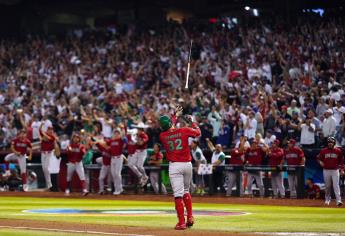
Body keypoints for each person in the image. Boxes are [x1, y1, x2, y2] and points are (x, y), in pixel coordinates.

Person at [159, 110, 201, 230]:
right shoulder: (183, 130)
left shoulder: (162, 136)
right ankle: (190, 217)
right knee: (186, 191)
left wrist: (174, 117)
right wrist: (192, 122)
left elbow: (169, 127)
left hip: (175, 166)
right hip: (187, 164)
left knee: (178, 195)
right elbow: (197, 133)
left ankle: (182, 222)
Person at [317, 137, 344, 206]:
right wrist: (320, 162)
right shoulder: (324, 151)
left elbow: (341, 161)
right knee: (328, 186)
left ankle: (338, 201)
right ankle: (327, 199)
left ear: (334, 143)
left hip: (335, 170)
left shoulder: (338, 151)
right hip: (326, 170)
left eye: (331, 142)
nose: (330, 143)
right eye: (329, 142)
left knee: (336, 186)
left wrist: (342, 169)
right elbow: (318, 158)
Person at [106, 129, 127, 195]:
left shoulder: (121, 140)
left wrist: (123, 134)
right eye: (115, 133)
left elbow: (126, 141)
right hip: (113, 158)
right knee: (113, 174)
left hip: (119, 157)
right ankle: (119, 188)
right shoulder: (112, 140)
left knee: (117, 174)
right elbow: (106, 144)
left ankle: (118, 189)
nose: (116, 134)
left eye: (117, 133)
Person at [39, 124, 57, 190]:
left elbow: (47, 138)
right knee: (44, 169)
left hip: (50, 153)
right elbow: (40, 131)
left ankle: (49, 185)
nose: (50, 131)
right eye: (49, 129)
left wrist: (43, 134)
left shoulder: (53, 137)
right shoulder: (44, 134)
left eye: (51, 130)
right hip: (43, 153)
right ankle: (48, 184)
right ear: (47, 130)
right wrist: (41, 125)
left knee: (47, 168)